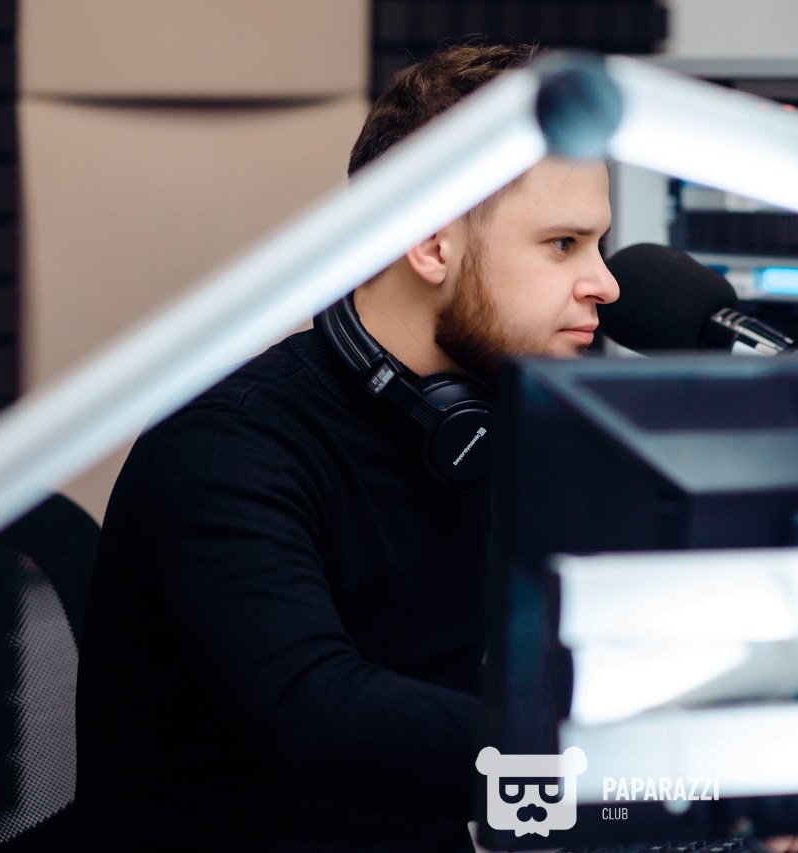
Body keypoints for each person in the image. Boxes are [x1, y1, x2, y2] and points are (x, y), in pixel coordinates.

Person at [74, 43, 618, 853]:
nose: (605, 282)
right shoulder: (229, 444)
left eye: (599, 243)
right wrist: (635, 765)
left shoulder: (503, 423)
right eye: (563, 244)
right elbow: (315, 709)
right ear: (431, 244)